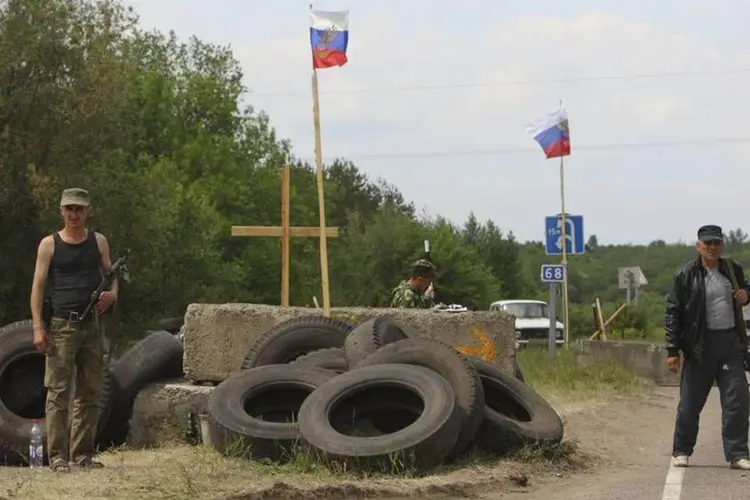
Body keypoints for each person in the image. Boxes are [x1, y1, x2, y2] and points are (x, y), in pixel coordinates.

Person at [29, 188, 118, 472]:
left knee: (90, 392)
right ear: (61, 211)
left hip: (92, 325)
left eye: (79, 209)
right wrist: (37, 327)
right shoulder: (49, 244)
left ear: (88, 211)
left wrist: (113, 294)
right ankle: (57, 458)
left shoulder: (99, 242)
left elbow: (112, 275)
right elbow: (38, 287)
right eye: (69, 209)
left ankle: (82, 455)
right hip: (61, 325)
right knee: (58, 392)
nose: (74, 215)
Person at [665, 224, 750, 470]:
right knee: (690, 404)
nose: (712, 247)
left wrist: (746, 295)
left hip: (730, 343)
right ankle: (682, 450)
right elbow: (673, 313)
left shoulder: (732, 269)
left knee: (737, 400)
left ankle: (737, 454)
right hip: (699, 345)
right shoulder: (685, 275)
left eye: (716, 243)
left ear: (721, 245)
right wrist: (672, 350)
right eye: (708, 243)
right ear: (698, 246)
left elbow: (745, 289)